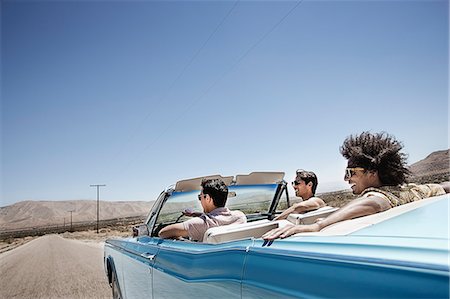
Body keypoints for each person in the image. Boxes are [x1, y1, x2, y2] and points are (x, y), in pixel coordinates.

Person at [263, 131, 449, 240]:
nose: (346, 179)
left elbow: (374, 202)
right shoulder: (415, 189)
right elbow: (443, 186)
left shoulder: (379, 197)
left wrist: (319, 226)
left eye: (351, 172)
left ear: (373, 171)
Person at [159, 178, 247, 242]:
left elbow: (163, 233)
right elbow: (217, 217)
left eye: (200, 197)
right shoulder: (240, 216)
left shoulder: (200, 224)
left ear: (208, 198)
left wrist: (179, 238)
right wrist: (195, 214)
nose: (200, 201)